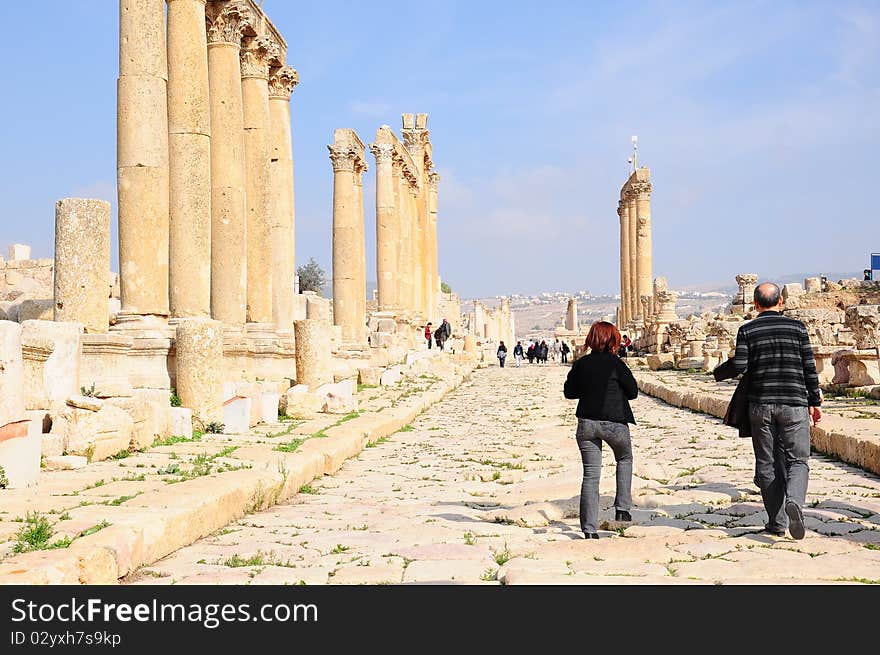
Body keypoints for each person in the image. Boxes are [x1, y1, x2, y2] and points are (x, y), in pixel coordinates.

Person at [731, 282, 822, 540]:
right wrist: (814, 401)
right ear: (780, 302)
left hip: (760, 404)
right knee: (798, 460)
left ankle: (776, 522)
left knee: (767, 462)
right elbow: (808, 368)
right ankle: (794, 501)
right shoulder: (797, 328)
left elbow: (740, 365)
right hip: (794, 402)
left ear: (756, 304)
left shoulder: (747, 330)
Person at [564, 321, 638, 539]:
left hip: (587, 423)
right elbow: (633, 392)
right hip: (615, 422)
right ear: (614, 340)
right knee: (624, 459)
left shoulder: (581, 364)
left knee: (591, 475)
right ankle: (623, 510)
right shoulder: (617, 364)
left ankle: (589, 530)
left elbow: (569, 392)